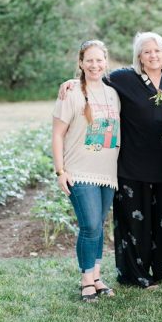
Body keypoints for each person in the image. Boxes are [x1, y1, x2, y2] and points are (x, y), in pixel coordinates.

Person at [59, 32, 162, 289]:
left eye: (158, 51)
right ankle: (131, 273)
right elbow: (94, 76)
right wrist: (72, 81)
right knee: (132, 224)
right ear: (139, 55)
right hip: (131, 164)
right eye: (147, 51)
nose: (153, 55)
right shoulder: (125, 78)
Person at [52, 40, 120, 302]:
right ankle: (85, 280)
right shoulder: (70, 93)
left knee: (99, 226)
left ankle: (97, 276)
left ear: (106, 62)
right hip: (79, 172)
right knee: (89, 225)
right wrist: (60, 171)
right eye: (89, 60)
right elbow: (57, 135)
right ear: (81, 63)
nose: (95, 65)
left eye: (99, 60)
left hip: (107, 173)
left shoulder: (112, 94)